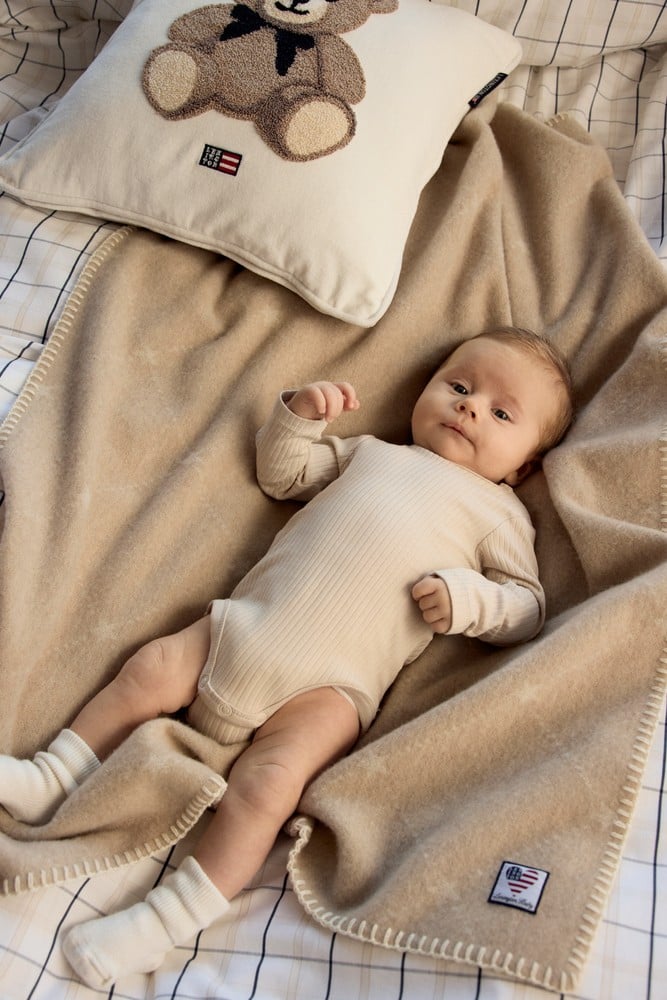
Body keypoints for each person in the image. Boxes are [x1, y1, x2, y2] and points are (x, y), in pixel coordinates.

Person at [0, 326, 574, 988]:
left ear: (523, 467)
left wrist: (470, 600)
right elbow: (283, 475)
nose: (470, 406)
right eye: (459, 386)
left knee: (269, 786)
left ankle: (163, 921)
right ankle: (52, 775)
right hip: (244, 627)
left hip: (330, 689)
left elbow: (526, 607)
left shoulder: (497, 512)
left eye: (501, 414)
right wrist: (297, 419)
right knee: (149, 669)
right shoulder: (371, 453)